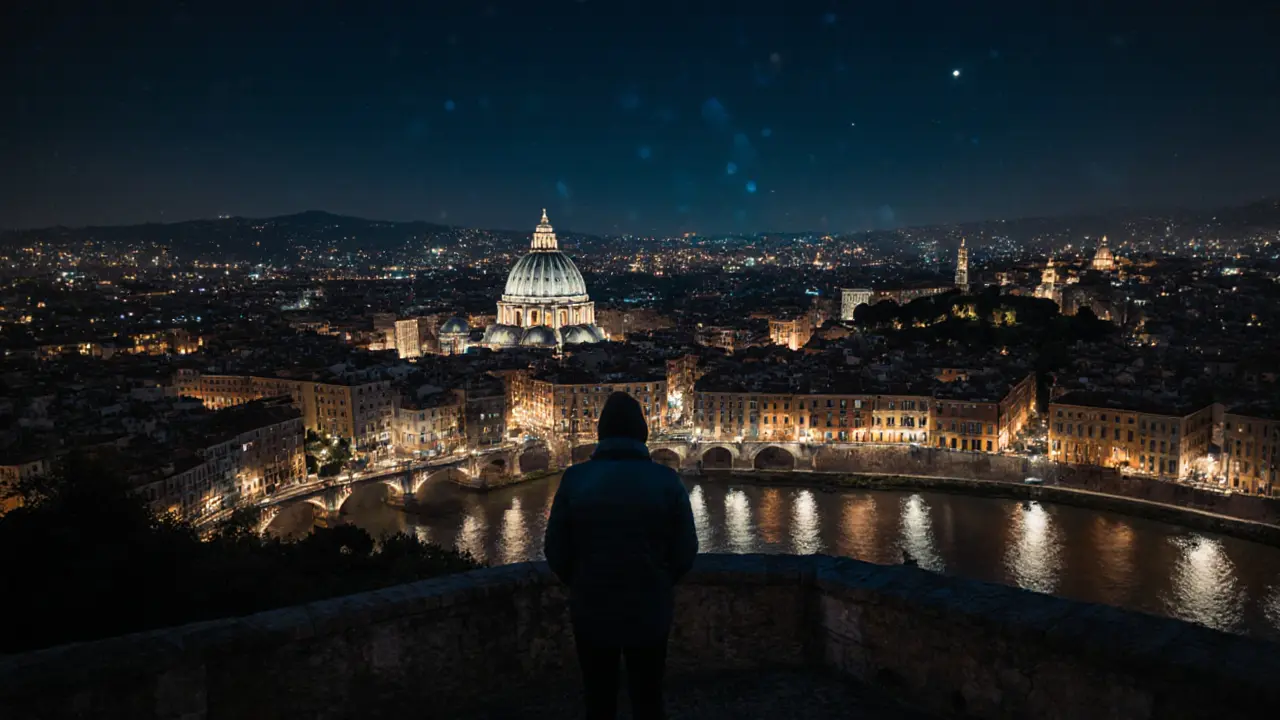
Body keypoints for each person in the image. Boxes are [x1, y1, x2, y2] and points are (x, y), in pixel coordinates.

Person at [544, 392, 698, 720]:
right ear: (642, 433)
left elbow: (555, 550)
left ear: (601, 434)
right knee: (648, 696)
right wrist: (658, 579)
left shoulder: (575, 479)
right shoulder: (667, 481)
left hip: (591, 607)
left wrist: (582, 580)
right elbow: (686, 552)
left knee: (598, 697)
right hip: (649, 608)